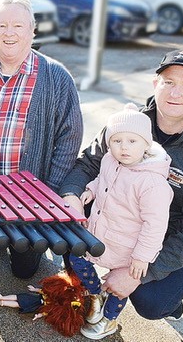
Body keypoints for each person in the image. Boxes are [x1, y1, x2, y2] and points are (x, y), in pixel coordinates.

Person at [59, 49, 183, 323]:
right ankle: (91, 292)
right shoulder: (126, 125)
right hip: (117, 219)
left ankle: (169, 299)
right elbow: (88, 163)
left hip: (169, 237)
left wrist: (138, 274)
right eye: (168, 82)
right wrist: (72, 195)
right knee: (71, 239)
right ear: (156, 85)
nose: (175, 93)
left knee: (151, 302)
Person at [0, 0, 83, 279]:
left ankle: (22, 245)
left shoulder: (56, 77)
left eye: (18, 26)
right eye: (1, 25)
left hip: (28, 199)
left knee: (24, 272)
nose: (8, 33)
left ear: (33, 31)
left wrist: (47, 193)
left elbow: (69, 139)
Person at [67, 103, 173, 340]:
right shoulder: (109, 161)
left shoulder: (152, 183)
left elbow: (155, 225)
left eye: (132, 141)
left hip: (128, 246)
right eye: (117, 141)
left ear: (146, 144)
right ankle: (95, 293)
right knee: (76, 256)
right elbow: (104, 181)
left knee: (119, 286)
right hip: (101, 233)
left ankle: (110, 320)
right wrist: (91, 191)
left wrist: (141, 257)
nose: (123, 148)